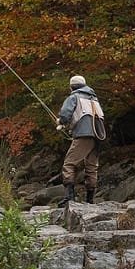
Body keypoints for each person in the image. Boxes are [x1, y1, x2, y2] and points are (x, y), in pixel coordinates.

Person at [57, 74, 106, 205]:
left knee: (69, 164)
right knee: (91, 167)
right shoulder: (94, 99)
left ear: (71, 87)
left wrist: (61, 122)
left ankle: (69, 197)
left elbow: (65, 113)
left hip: (84, 136)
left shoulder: (74, 97)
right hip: (98, 136)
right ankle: (90, 200)